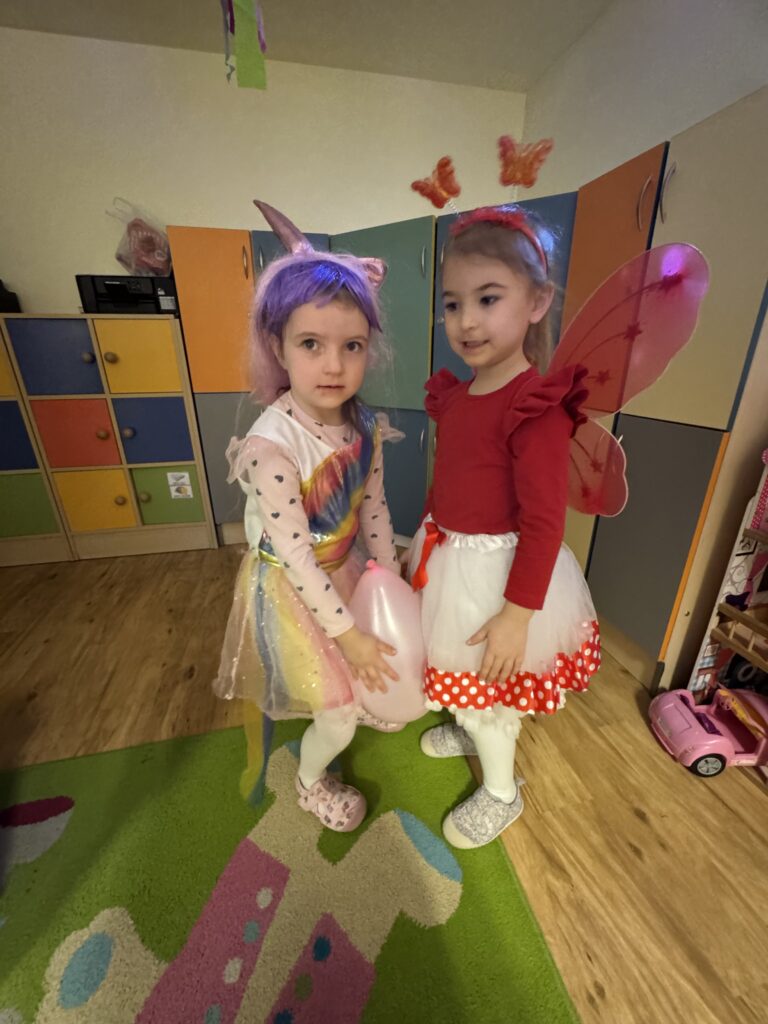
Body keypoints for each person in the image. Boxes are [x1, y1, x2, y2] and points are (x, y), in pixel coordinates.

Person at [408, 206, 600, 849]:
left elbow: (545, 523)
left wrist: (517, 617)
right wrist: (425, 536)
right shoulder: (457, 397)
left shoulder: (533, 404)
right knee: (465, 671)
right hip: (453, 558)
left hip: (502, 580)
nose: (466, 320)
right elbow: (447, 483)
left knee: (492, 687)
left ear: (537, 302)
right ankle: (468, 724)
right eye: (453, 304)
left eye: (488, 299)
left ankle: (500, 792)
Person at [215, 202, 403, 833]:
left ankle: (351, 691)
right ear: (279, 347)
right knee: (338, 709)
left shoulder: (364, 424)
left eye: (352, 346)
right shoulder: (273, 447)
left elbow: (373, 505)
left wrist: (390, 579)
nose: (333, 365)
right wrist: (349, 634)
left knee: (363, 662)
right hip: (293, 589)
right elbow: (296, 556)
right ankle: (309, 782)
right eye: (311, 344)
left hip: (342, 566)